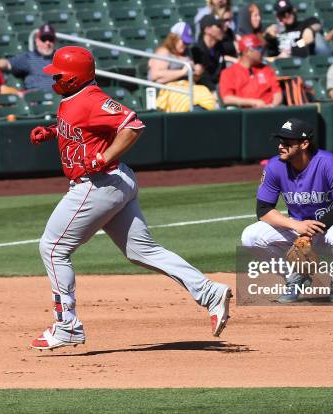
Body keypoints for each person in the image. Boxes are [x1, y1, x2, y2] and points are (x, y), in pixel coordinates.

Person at [28, 46, 232, 350]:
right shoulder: (74, 99)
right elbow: (82, 128)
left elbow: (133, 125)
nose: (54, 78)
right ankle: (209, 292)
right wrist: (53, 132)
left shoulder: (92, 98)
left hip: (99, 184)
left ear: (73, 78)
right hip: (114, 182)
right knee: (142, 251)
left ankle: (67, 325)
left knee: (53, 247)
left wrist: (104, 157)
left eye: (58, 74)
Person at [241, 118, 333, 303]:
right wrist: (296, 225)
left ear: (304, 143)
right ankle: (295, 278)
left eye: (287, 143)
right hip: (296, 231)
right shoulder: (274, 166)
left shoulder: (328, 162)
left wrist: (310, 231)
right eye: (280, 141)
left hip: (328, 230)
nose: (281, 146)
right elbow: (263, 210)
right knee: (250, 236)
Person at [219, 34, 282, 108]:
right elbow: (227, 99)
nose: (262, 52)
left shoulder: (267, 69)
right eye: (259, 48)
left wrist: (273, 105)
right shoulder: (229, 72)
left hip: (269, 111)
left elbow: (277, 93)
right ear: (247, 51)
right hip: (245, 114)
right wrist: (252, 102)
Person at [0, 24, 57, 92]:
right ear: (37, 41)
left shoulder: (62, 58)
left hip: (60, 99)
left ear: (55, 41)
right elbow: (7, 64)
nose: (47, 43)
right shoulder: (29, 58)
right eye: (43, 39)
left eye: (51, 39)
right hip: (37, 99)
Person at [191, 14, 227, 92]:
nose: (223, 29)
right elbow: (202, 78)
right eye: (219, 26)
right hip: (203, 93)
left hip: (218, 88)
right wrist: (215, 91)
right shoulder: (197, 51)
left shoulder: (219, 47)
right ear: (207, 30)